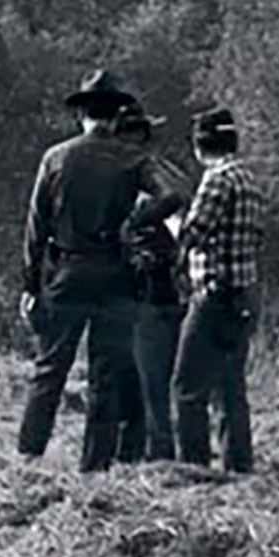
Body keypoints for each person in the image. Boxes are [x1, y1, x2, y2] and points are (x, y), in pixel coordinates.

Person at [18, 69, 187, 473]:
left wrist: (30, 283)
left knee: (49, 369)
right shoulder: (133, 158)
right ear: (114, 117)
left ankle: (29, 456)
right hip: (116, 274)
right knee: (107, 375)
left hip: (67, 271)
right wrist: (137, 221)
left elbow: (35, 226)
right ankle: (94, 467)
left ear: (82, 115)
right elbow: (175, 195)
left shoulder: (55, 158)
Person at [171, 106, 262, 472]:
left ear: (199, 146)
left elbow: (192, 235)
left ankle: (194, 470)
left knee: (187, 388)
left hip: (212, 295)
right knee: (230, 390)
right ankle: (238, 466)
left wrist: (168, 216)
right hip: (242, 295)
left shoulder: (217, 179)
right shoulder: (248, 180)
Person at [115, 101, 188, 463]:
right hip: (161, 287)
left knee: (150, 378)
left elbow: (179, 226)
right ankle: (146, 449)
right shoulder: (164, 171)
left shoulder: (150, 179)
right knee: (147, 377)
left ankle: (159, 453)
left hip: (152, 289)